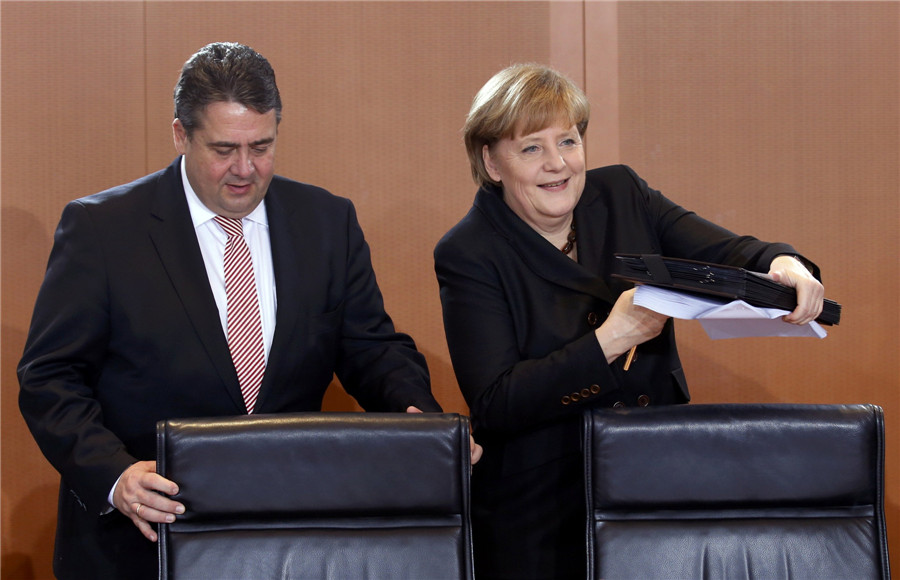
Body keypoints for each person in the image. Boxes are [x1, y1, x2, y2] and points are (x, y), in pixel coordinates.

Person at [18, 42, 449, 580]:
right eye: (223, 149)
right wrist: (114, 476)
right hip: (140, 542)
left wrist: (417, 415)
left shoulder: (326, 221)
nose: (245, 169)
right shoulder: (103, 229)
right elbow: (49, 378)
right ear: (181, 134)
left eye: (262, 146)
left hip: (288, 538)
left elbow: (370, 347)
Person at [434, 63, 825, 580]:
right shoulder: (468, 251)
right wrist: (610, 341)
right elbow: (496, 402)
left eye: (568, 141)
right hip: (541, 513)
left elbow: (729, 253)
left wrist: (784, 262)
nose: (558, 165)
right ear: (491, 160)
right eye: (531, 148)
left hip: (654, 480)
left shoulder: (621, 193)